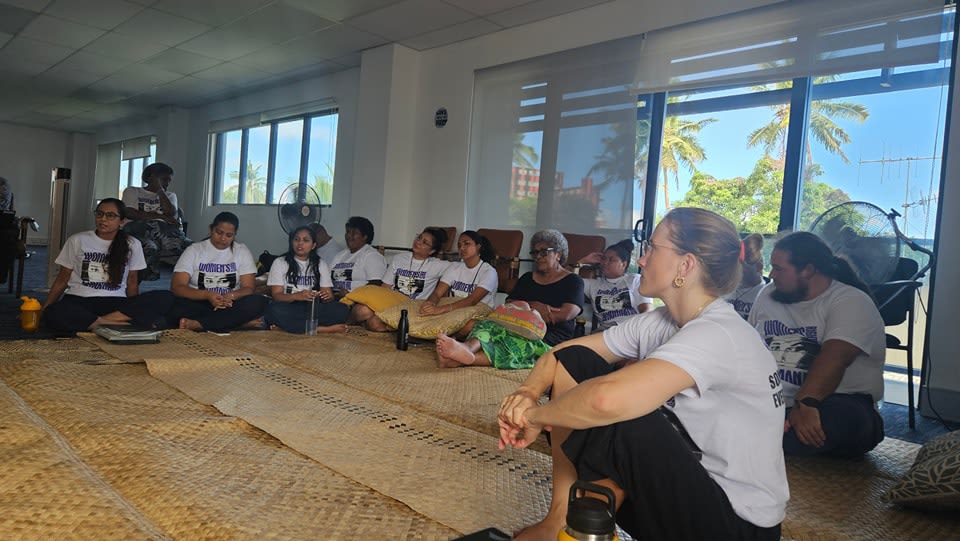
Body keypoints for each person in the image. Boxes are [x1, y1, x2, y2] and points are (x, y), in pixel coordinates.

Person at [497, 207, 787, 541]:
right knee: (578, 363)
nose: (642, 259)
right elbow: (562, 355)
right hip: (686, 493)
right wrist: (527, 393)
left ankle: (578, 528)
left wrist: (533, 417)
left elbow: (605, 400)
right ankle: (559, 521)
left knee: (621, 413)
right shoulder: (661, 322)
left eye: (652, 248)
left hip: (734, 526)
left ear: (686, 265)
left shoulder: (719, 332)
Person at [748, 231, 885, 457]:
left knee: (844, 419)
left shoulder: (851, 301)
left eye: (779, 269)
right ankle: (770, 434)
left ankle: (758, 435)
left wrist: (806, 403)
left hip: (835, 402)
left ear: (808, 271)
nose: (771, 275)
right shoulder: (768, 295)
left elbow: (836, 357)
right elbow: (748, 347)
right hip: (774, 401)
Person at [436, 229, 584, 369]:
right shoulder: (527, 278)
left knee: (514, 343)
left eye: (544, 252)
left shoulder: (573, 281)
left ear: (558, 254)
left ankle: (460, 360)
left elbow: (567, 313)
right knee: (489, 324)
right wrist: (534, 308)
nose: (538, 256)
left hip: (550, 335)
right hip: (517, 324)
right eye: (535, 252)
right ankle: (466, 348)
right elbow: (510, 303)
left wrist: (529, 312)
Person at [42, 198, 173, 332]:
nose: (103, 219)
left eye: (110, 215)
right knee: (54, 312)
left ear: (121, 221)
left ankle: (93, 323)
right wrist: (44, 309)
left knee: (165, 297)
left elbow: (132, 281)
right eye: (99, 214)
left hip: (116, 302)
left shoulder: (132, 244)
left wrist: (133, 307)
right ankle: (108, 323)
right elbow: (63, 278)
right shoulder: (77, 240)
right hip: (79, 299)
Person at [167, 212, 268, 332]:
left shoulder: (242, 251)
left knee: (259, 302)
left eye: (229, 235)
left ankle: (199, 325)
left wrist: (231, 296)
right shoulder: (194, 250)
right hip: (199, 301)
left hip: (230, 304)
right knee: (166, 301)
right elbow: (177, 287)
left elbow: (248, 288)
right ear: (211, 229)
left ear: (235, 235)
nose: (223, 238)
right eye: (219, 232)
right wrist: (207, 295)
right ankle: (237, 324)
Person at [350, 227, 451, 331]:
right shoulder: (399, 258)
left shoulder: (437, 265)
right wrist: (377, 304)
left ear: (432, 251)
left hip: (413, 307)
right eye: (419, 237)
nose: (418, 242)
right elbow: (385, 287)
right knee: (361, 310)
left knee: (374, 323)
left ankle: (399, 329)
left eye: (425, 242)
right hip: (392, 301)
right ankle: (348, 328)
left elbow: (458, 268)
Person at [264, 226, 349, 334]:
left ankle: (287, 328)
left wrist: (326, 296)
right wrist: (297, 296)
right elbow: (277, 296)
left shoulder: (320, 264)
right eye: (296, 239)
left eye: (305, 240)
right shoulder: (280, 262)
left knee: (342, 309)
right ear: (291, 242)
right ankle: (321, 329)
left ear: (313, 245)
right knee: (273, 310)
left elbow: (329, 296)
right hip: (289, 306)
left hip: (312, 307)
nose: (300, 243)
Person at [122, 162, 190, 281]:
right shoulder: (132, 191)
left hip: (164, 232)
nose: (167, 183)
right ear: (151, 178)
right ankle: (171, 244)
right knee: (152, 237)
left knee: (192, 246)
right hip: (137, 231)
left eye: (169, 180)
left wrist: (160, 191)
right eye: (164, 179)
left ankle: (173, 244)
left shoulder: (170, 195)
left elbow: (170, 213)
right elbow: (130, 213)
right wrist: (162, 217)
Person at [419, 230, 499, 318]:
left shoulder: (489, 272)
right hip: (454, 311)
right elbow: (437, 293)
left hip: (479, 313)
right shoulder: (454, 267)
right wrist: (430, 303)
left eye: (466, 244)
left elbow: (472, 300)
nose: (461, 248)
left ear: (478, 246)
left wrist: (440, 309)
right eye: (459, 245)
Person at [579, 239, 653, 330]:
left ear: (624, 264)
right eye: (604, 258)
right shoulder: (593, 284)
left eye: (611, 260)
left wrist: (636, 331)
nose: (605, 263)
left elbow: (646, 311)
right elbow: (566, 278)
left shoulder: (634, 280)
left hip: (631, 330)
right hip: (605, 332)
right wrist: (582, 261)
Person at [329, 216, 387, 297]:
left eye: (354, 233)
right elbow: (327, 279)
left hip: (357, 300)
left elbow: (376, 285)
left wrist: (352, 296)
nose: (349, 236)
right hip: (334, 298)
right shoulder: (340, 255)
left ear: (365, 236)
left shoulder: (372, 256)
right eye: (348, 232)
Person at [726, 233, 765, 319]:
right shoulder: (727, 289)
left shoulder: (765, 294)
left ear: (759, 267)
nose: (736, 271)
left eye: (742, 267)